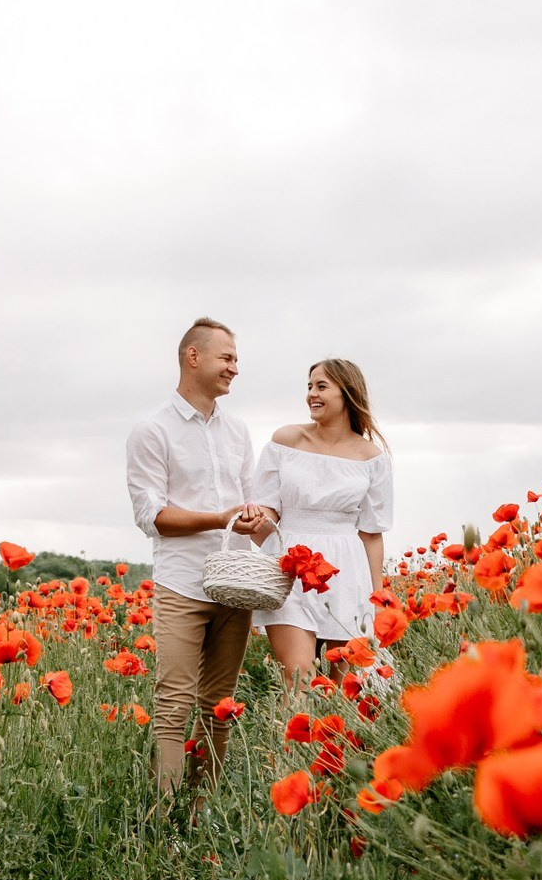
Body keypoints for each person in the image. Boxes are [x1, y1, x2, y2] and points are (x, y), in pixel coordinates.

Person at [123, 318, 271, 796]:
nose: (234, 368)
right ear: (194, 357)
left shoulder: (239, 432)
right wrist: (220, 517)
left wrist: (253, 518)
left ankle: (201, 813)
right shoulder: (151, 430)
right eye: (226, 358)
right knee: (173, 704)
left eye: (235, 360)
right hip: (183, 582)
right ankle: (163, 820)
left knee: (219, 704)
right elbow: (152, 515)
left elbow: (250, 499)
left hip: (237, 583)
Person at [244, 358, 392, 684]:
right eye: (309, 386)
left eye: (321, 386)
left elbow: (371, 533)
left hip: (347, 572)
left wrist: (378, 598)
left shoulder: (372, 458)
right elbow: (267, 508)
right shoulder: (286, 440)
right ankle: (288, 735)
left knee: (344, 688)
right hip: (289, 569)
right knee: (298, 676)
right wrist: (258, 521)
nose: (312, 393)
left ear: (347, 393)